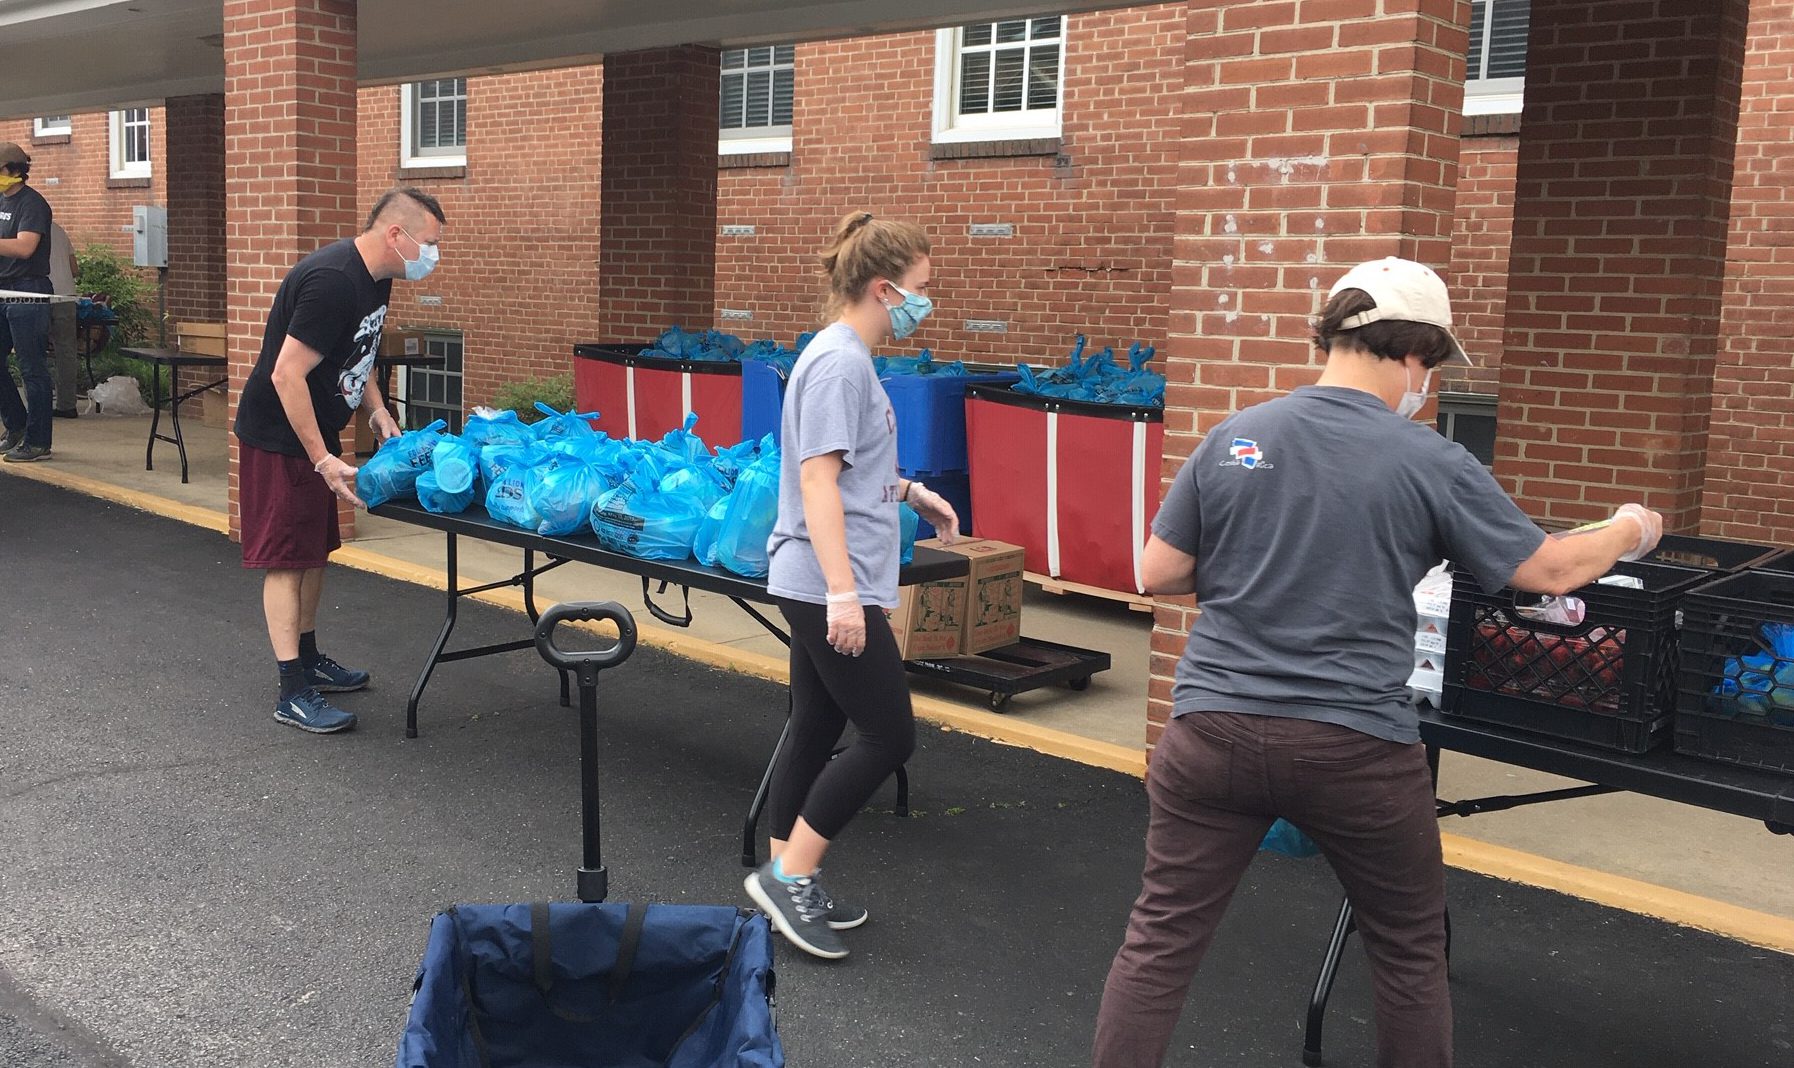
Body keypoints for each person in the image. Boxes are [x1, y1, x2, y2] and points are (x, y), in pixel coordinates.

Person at [1091, 257, 1665, 1068]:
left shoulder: (1235, 437)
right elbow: (1551, 571)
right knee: (1405, 951)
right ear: (1413, 357)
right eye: (1428, 369)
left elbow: (1159, 573)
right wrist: (1631, 528)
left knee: (1160, 943)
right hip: (1352, 748)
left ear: (1332, 338)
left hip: (1209, 732)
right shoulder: (1429, 460)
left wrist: (1267, 561)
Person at [744, 211, 960, 959]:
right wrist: (844, 592)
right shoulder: (840, 363)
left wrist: (909, 493)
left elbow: (851, 468)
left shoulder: (844, 358)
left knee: (817, 725)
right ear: (882, 286)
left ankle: (783, 874)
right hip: (827, 579)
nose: (926, 303)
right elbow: (816, 480)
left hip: (822, 574)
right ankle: (789, 877)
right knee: (889, 734)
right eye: (921, 290)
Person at [233, 187, 444, 734]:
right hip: (282, 438)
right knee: (285, 558)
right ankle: (291, 690)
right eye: (428, 244)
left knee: (314, 550)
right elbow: (286, 375)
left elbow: (362, 353)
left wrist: (375, 412)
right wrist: (323, 458)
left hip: (318, 436)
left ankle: (308, 658)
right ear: (395, 235)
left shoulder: (377, 280)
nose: (431, 257)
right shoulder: (332, 281)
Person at [0, 141, 55, 462]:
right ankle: (16, 425)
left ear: (13, 171)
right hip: (4, 288)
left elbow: (25, 247)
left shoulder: (32, 204)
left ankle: (38, 441)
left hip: (28, 289)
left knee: (31, 367)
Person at [47, 221, 79, 418]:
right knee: (66, 352)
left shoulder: (20, 228)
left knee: (32, 352)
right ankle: (67, 404)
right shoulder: (59, 230)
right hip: (66, 295)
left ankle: (38, 405)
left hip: (35, 296)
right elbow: (74, 269)